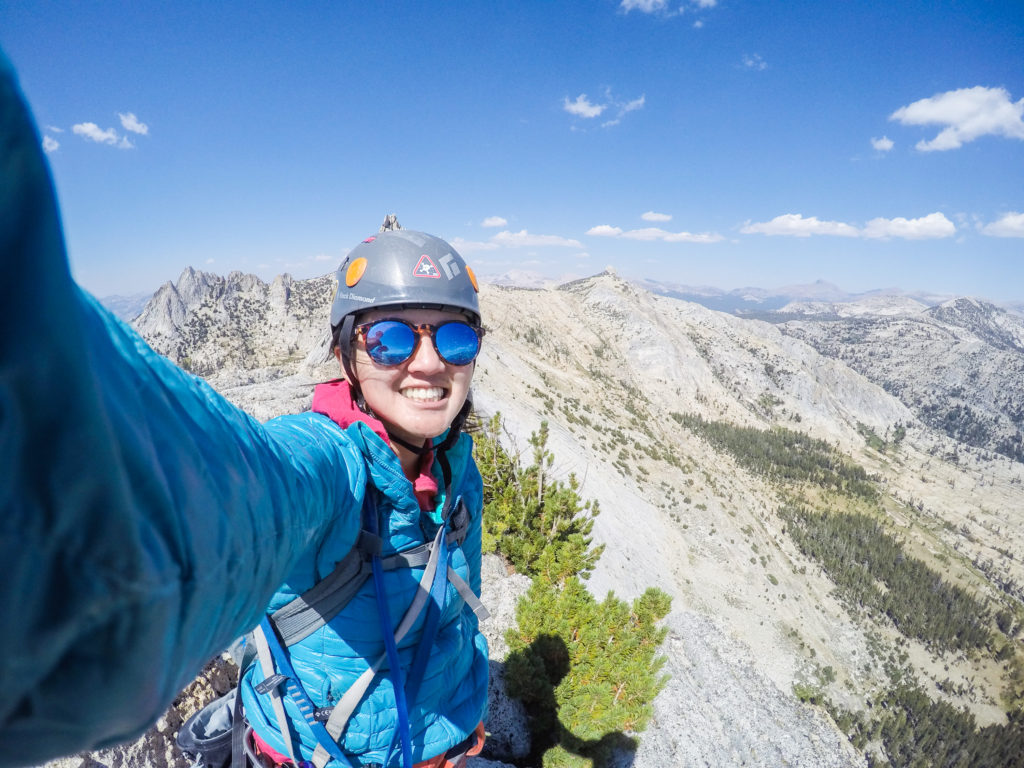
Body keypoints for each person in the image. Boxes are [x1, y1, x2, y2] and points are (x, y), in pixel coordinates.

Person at [0, 50, 487, 768]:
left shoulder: (455, 468)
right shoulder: (329, 466)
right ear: (345, 356)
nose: (426, 362)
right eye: (387, 338)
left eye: (452, 333)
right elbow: (223, 500)